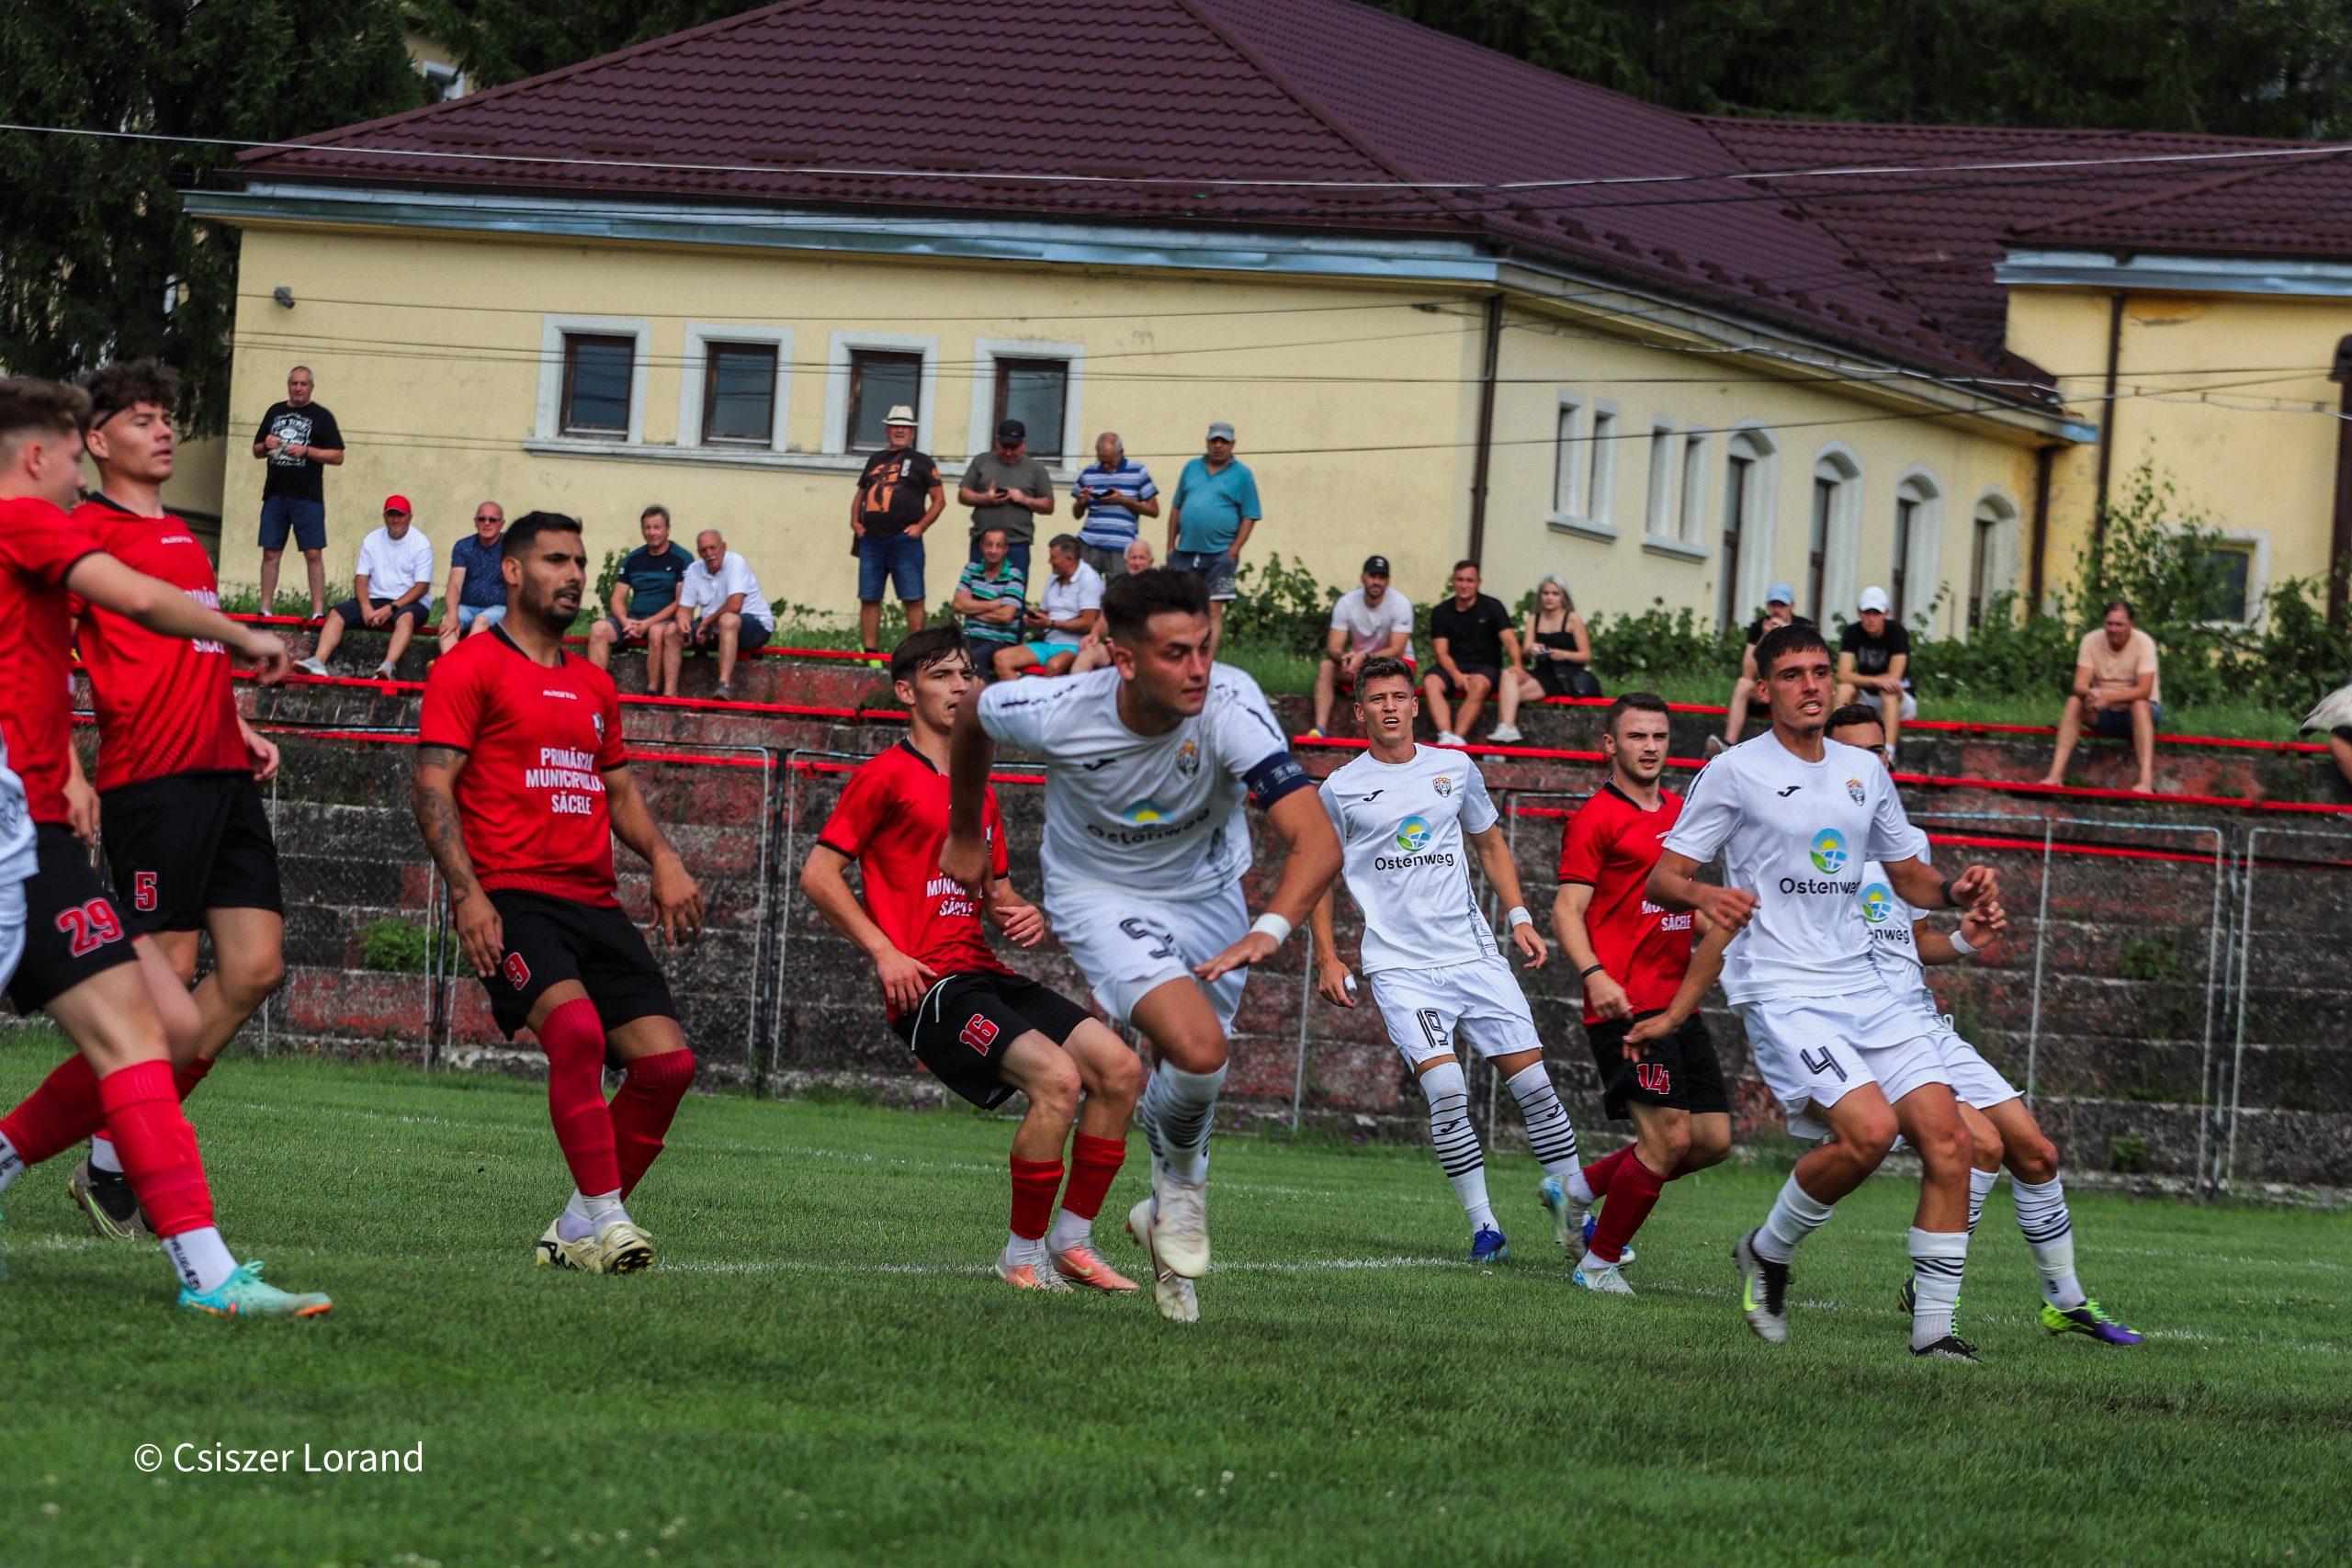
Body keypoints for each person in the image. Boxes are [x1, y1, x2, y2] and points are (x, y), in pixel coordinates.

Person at [0, 374, 330, 1315]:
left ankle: (207, 1274)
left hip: (37, 831)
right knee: (152, 1024)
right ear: (42, 456)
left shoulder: (63, 530)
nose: (78, 474)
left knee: (166, 1028)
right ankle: (202, 1270)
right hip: (57, 816)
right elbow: (137, 603)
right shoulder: (28, 521)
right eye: (74, 454)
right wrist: (241, 634)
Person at [940, 568, 1341, 1323]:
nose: (1198, 669)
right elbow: (972, 715)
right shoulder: (1058, 709)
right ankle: (1180, 1190)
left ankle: (1159, 1212)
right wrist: (965, 831)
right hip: (1100, 896)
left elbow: (1316, 838)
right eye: (1174, 653)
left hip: (1211, 895)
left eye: (1205, 647)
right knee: (1197, 1047)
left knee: (1196, 1071)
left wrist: (1268, 928)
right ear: (1123, 659)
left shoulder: (1232, 705)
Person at [1647, 621, 2001, 1361]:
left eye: (1818, 671)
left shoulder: (1863, 769)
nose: (1809, 685)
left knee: (1953, 1140)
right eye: (1791, 674)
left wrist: (1954, 890)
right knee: (1869, 1133)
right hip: (1782, 989)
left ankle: (1935, 1333)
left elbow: (1910, 875)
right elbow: (1665, 877)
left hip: (1863, 983)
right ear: (1765, 688)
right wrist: (1708, 895)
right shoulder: (1735, 771)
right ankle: (1768, 1250)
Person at [801, 626, 1146, 1292]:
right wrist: (885, 952)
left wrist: (1017, 910)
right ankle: (1022, 1255)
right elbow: (818, 874)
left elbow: (995, 891)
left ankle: (1072, 1243)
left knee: (1120, 1069)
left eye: (967, 673)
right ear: (906, 692)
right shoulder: (885, 774)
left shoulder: (977, 790)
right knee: (1057, 1079)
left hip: (983, 970)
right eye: (942, 675)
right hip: (930, 985)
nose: (961, 685)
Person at [413, 510, 705, 1276]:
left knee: (667, 1067)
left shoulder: (594, 683)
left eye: (579, 561)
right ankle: (609, 1218)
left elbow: (619, 792)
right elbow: (432, 786)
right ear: (512, 571)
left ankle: (574, 1223)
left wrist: (664, 858)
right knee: (576, 1033)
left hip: (594, 900)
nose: (573, 575)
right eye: (555, 560)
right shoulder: (469, 667)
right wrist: (468, 894)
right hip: (512, 894)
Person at [51, 360, 290, 1240]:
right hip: (151, 778)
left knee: (256, 967)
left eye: (167, 417)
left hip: (222, 768)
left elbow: (192, 650)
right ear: (96, 439)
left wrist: (238, 722)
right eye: (141, 418)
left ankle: (113, 1161)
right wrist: (69, 768)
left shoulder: (186, 538)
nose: (163, 431)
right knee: (167, 982)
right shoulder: (82, 531)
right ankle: (115, 1164)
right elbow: (43, 658)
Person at [1827, 705, 2143, 1347]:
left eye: (1877, 753)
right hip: (1870, 1036)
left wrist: (1965, 940)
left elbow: (1913, 941)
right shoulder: (1808, 847)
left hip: (1925, 1024)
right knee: (1979, 1146)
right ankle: (1930, 1310)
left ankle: (2065, 1301)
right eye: (1852, 754)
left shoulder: (1908, 843)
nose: (1869, 765)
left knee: (2037, 1152)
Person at [1307, 658, 1579, 1264]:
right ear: (1359, 712)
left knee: (1535, 1086)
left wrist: (1520, 915)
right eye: (1377, 698)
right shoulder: (1339, 788)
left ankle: (1578, 1220)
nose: (1390, 707)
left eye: (1399, 696)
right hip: (1399, 967)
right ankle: (1485, 1227)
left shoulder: (1454, 767)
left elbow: (1489, 842)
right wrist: (1327, 955)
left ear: (1415, 705)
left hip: (1472, 954)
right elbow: (1316, 874)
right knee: (1448, 1088)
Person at [1545, 692, 1733, 1293]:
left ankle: (1577, 1189)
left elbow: (1682, 904)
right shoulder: (1595, 818)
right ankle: (1598, 1263)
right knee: (1667, 1137)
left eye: (1659, 736)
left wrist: (1728, 932)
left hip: (1677, 1003)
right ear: (1610, 744)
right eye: (1636, 736)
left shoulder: (1682, 811)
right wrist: (1594, 974)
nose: (1650, 747)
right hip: (1626, 1004)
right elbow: (1566, 910)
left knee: (1710, 1140)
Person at [294, 495, 433, 681]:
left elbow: (422, 587)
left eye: (400, 515)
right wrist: (366, 607)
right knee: (337, 613)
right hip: (375, 598)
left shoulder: (421, 543)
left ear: (410, 517)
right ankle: (318, 661)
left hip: (410, 602)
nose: (395, 520)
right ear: (384, 517)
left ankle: (388, 666)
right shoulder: (372, 539)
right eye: (391, 515)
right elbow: (361, 579)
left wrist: (391, 608)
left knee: (406, 617)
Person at [250, 364, 343, 618]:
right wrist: (266, 444)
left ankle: (317, 612)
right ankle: (265, 610)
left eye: (303, 384)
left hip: (308, 496)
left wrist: (307, 451)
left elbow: (338, 456)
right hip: (275, 494)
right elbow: (256, 451)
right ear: (289, 386)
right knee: (271, 552)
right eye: (294, 383)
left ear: (311, 387)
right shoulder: (275, 411)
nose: (298, 388)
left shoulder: (322, 416)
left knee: (313, 553)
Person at [2041, 598, 2161, 794]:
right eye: (2109, 624)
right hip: (2103, 711)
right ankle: (2055, 776)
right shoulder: (2091, 640)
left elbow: (2144, 691)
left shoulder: (2144, 643)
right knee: (2074, 702)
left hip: (2140, 714)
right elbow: (2079, 685)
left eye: (2119, 624)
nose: (2113, 629)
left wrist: (2109, 698)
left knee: (2139, 705)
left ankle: (2145, 781)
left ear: (2131, 624)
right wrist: (2091, 693)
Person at [1165, 422, 1261, 663]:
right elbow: (1176, 507)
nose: (1218, 446)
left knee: (1213, 611)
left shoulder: (1242, 475)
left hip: (1220, 554)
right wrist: (1170, 546)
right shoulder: (1191, 468)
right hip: (1185, 552)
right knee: (1180, 608)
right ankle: (1180, 659)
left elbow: (1250, 515)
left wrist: (1234, 550)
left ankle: (1205, 663)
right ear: (1207, 442)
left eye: (1224, 442)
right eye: (1214, 441)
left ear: (1232, 444)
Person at [852, 406, 944, 653]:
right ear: (887, 430)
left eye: (905, 427)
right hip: (871, 540)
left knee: (913, 597)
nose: (900, 430)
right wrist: (855, 522)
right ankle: (870, 653)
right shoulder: (874, 459)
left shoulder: (922, 461)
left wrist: (920, 527)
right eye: (895, 426)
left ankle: (914, 654)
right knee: (869, 597)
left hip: (904, 540)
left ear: (912, 432)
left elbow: (939, 500)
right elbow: (861, 493)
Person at [588, 506, 691, 698]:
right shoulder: (633, 559)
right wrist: (625, 621)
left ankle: (655, 693)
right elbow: (617, 598)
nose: (652, 533)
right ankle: (596, 693)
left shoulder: (682, 558)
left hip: (664, 621)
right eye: (647, 528)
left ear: (668, 529)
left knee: (656, 631)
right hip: (634, 619)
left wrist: (647, 624)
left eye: (657, 527)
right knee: (598, 629)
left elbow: (681, 601)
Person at [1422, 561, 1529, 746]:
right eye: (1460, 580)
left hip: (1485, 666)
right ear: (1453, 581)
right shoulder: (1441, 612)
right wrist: (1456, 674)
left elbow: (1510, 640)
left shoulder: (1493, 606)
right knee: (1430, 681)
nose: (1464, 585)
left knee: (1478, 685)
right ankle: (1445, 735)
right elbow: (1441, 652)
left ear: (1479, 582)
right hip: (1451, 666)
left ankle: (1457, 739)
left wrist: (1518, 665)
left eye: (1469, 580)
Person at [1307, 555, 1413, 739]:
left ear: (1388, 580)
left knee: (1385, 678)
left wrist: (1364, 657)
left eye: (1381, 577)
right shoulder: (1346, 603)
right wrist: (1343, 657)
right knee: (1327, 666)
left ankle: (1390, 735)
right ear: (1363, 577)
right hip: (1361, 666)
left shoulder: (1400, 603)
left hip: (1397, 666)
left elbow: (1397, 649)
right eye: (1372, 576)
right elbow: (1333, 647)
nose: (1376, 581)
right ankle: (1320, 730)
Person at [1707, 583, 1808, 754]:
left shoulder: (1803, 627)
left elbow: (1805, 663)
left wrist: (1786, 634)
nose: (1777, 610)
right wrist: (1765, 638)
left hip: (1793, 689)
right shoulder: (1759, 627)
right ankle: (1728, 744)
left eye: (1782, 605)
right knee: (1743, 684)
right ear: (1767, 606)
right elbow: (1748, 672)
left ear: (1792, 606)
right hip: (1767, 691)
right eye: (1773, 605)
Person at [679, 528, 775, 702]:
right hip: (713, 626)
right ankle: (666, 694)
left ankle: (724, 685)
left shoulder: (736, 562)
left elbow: (735, 605)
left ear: (723, 547)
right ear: (699, 552)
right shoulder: (694, 569)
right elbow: (684, 610)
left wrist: (706, 622)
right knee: (670, 632)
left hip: (754, 625)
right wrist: (685, 628)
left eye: (713, 548)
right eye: (704, 550)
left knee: (728, 620)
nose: (709, 554)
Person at [993, 535, 1102, 680]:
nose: (1049, 561)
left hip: (1075, 646)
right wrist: (1035, 619)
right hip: (1047, 643)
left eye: (1053, 557)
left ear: (1069, 559)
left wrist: (1052, 624)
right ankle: (1022, 695)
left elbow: (1088, 623)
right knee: (1001, 658)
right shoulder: (1053, 578)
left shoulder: (1089, 579)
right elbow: (1044, 614)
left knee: (1054, 666)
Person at [958, 419, 1054, 579]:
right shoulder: (981, 461)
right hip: (983, 543)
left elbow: (1049, 505)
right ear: (997, 442)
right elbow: (963, 494)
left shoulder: (1036, 469)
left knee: (1014, 591)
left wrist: (1024, 499)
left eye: (1014, 448)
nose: (1008, 452)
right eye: (1004, 446)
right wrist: (984, 498)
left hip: (1016, 544)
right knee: (978, 588)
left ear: (1024, 444)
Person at [1837, 586, 1914, 758]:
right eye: (1867, 613)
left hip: (1900, 699)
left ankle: (1887, 754)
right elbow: (1842, 674)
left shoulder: (1897, 632)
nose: (1871, 619)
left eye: (1876, 613)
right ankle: (1833, 745)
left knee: (1888, 691)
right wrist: (1875, 681)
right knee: (1844, 689)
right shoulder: (1852, 632)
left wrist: (1863, 680)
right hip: (1867, 698)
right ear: (1859, 613)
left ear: (1886, 613)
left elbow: (1894, 677)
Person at [1071, 432, 1159, 582]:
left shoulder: (1138, 471)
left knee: (1118, 591)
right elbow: (1076, 514)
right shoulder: (1088, 472)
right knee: (1085, 588)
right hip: (1090, 544)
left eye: (1110, 461)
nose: (1105, 465)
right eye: (1102, 460)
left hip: (1121, 547)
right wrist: (1081, 502)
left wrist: (1123, 500)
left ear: (1121, 453)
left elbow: (1154, 510)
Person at [953, 525, 1027, 675]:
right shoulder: (971, 569)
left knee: (973, 658)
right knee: (944, 654)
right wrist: (994, 604)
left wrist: (972, 608)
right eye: (989, 544)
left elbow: (1006, 616)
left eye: (999, 546)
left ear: (1005, 549)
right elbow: (958, 605)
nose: (993, 550)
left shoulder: (1014, 575)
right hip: (969, 636)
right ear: (981, 546)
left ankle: (979, 690)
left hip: (1000, 641)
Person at [436, 500, 507, 655]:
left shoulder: (510, 547)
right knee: (447, 623)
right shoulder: (464, 546)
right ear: (475, 522)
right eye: (482, 519)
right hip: (467, 607)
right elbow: (454, 585)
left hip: (500, 608)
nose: (486, 523)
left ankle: (463, 663)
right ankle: (453, 666)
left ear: (501, 524)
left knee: (480, 621)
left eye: (492, 520)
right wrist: (452, 615)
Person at [1521, 575, 1600, 700]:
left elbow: (1586, 656)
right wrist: (1532, 649)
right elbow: (1525, 652)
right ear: (1540, 596)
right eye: (1545, 593)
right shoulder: (1534, 619)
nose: (1549, 598)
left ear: (1563, 597)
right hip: (1540, 671)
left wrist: (1564, 655)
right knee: (1508, 675)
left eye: (1555, 594)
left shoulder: (1572, 619)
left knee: (1514, 693)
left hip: (1563, 675)